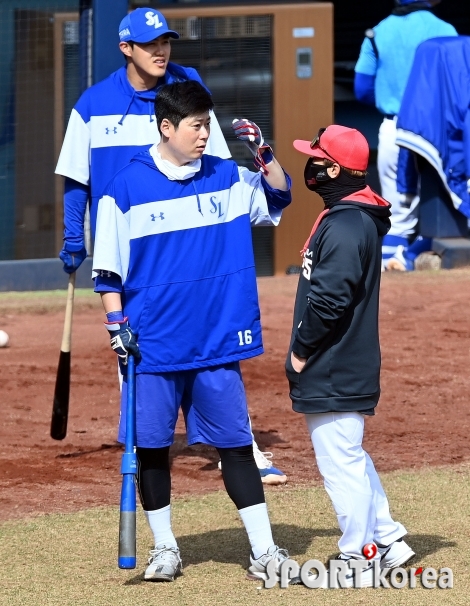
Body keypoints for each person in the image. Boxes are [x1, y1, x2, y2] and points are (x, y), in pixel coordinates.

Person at [55, 6, 287, 484]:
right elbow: (77, 179)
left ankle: (235, 447)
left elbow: (218, 167)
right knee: (136, 351)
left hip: (190, 241)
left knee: (211, 342)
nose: (162, 51)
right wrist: (73, 235)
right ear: (126, 49)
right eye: (150, 44)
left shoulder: (185, 97)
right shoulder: (93, 104)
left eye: (166, 41)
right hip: (131, 245)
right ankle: (146, 449)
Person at [92, 80, 292, 582]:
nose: (206, 135)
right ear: (166, 127)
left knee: (236, 446)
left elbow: (279, 195)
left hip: (216, 344)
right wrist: (116, 325)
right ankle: (165, 549)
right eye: (196, 126)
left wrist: (264, 156)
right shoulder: (125, 187)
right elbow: (108, 272)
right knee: (153, 448)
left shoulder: (228, 177)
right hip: (152, 346)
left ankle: (264, 551)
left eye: (208, 124)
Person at [287, 125, 414, 588]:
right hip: (345, 360)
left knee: (339, 464)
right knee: (349, 455)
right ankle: (389, 539)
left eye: (316, 158)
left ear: (334, 168)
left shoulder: (344, 225)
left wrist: (300, 352)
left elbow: (329, 301)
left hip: (333, 363)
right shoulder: (352, 217)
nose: (311, 166)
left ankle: (358, 559)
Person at [354, 0, 457, 270]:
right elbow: (458, 84)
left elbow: (362, 88)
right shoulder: (444, 28)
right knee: (445, 202)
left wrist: (393, 97)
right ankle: (422, 253)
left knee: (399, 213)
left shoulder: (378, 31)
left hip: (395, 128)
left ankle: (396, 257)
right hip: (437, 129)